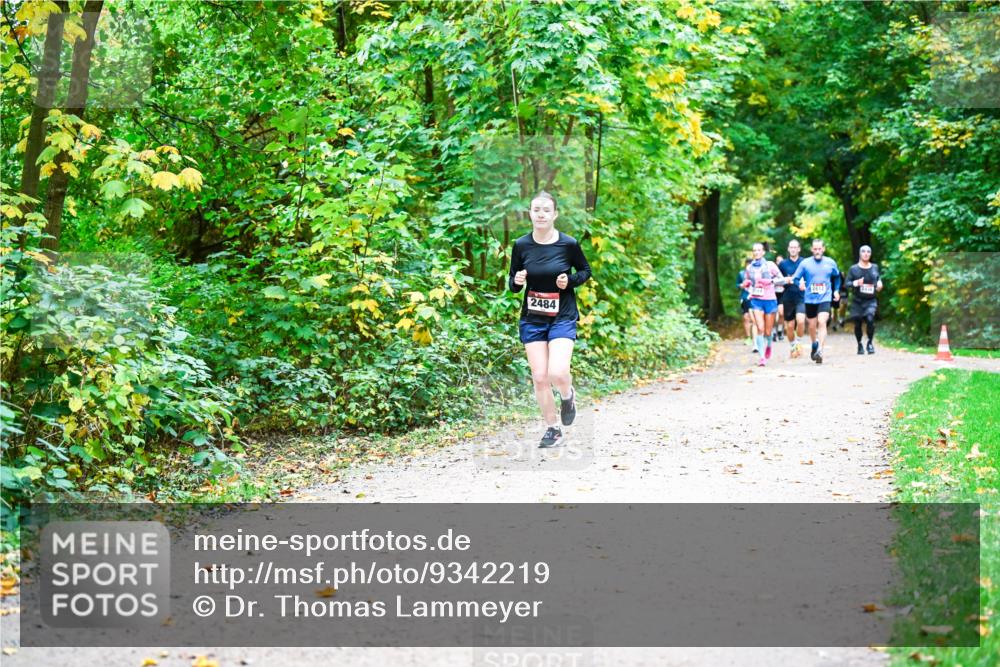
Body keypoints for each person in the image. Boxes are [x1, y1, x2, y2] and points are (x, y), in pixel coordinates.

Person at [508, 191, 592, 448]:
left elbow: (585, 271)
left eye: (546, 210)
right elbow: (513, 284)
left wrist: (570, 280)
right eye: (536, 210)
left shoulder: (568, 244)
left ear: (555, 214)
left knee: (557, 372)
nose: (541, 214)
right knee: (540, 377)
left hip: (562, 316)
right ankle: (553, 429)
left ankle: (567, 396)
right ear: (530, 214)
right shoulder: (521, 245)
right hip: (533, 319)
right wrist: (517, 281)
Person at [785, 239, 841, 364]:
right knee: (811, 326)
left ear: (823, 249)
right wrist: (799, 283)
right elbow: (795, 278)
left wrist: (836, 290)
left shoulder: (830, 262)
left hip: (825, 298)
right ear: (811, 249)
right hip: (810, 299)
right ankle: (814, 344)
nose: (817, 251)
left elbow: (837, 277)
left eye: (819, 249)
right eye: (815, 249)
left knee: (822, 321)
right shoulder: (805, 263)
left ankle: (820, 350)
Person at [741, 242, 782, 366]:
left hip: (770, 300)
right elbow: (747, 283)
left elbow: (781, 279)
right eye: (754, 250)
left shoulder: (770, 265)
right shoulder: (749, 268)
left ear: (763, 252)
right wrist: (747, 285)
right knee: (760, 328)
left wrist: (770, 281)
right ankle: (762, 357)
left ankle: (768, 345)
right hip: (756, 300)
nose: (756, 252)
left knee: (768, 332)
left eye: (759, 250)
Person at [845, 245, 883, 354]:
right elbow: (846, 284)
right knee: (857, 323)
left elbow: (878, 279)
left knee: (870, 319)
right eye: (863, 251)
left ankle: (870, 343)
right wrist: (856, 283)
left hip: (871, 300)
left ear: (870, 254)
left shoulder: (875, 267)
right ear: (860, 253)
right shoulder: (854, 269)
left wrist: (879, 284)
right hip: (857, 300)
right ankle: (859, 344)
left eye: (868, 252)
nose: (866, 254)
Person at [778, 240, 806, 358]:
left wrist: (806, 284)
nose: (793, 249)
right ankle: (793, 346)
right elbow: (777, 280)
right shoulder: (783, 264)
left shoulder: (804, 262)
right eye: (791, 247)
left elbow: (810, 277)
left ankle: (798, 343)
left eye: (795, 247)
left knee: (801, 320)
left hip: (801, 296)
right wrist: (785, 280)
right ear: (788, 249)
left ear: (799, 249)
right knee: (789, 326)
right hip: (788, 297)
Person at [737, 262, 758, 352]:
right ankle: (748, 337)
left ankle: (756, 337)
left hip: (754, 298)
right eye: (747, 265)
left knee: (754, 319)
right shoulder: (741, 274)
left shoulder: (757, 274)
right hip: (745, 298)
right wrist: (741, 285)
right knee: (746, 317)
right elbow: (737, 284)